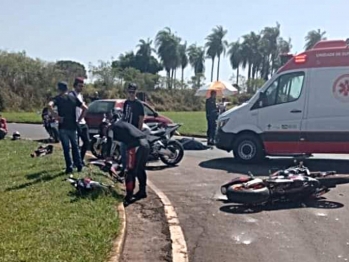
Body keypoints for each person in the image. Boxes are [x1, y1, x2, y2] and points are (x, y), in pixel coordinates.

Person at [105, 119, 150, 206]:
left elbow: (109, 141)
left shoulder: (111, 129)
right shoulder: (122, 123)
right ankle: (142, 191)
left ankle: (129, 196)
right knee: (140, 169)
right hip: (145, 143)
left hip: (135, 145)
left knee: (130, 171)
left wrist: (108, 156)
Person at [48, 81, 88, 174]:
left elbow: (49, 105)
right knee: (75, 146)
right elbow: (85, 108)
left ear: (59, 89)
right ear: (67, 89)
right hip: (73, 126)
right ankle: (79, 165)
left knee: (66, 148)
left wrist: (55, 116)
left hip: (63, 126)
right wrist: (79, 119)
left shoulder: (57, 98)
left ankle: (69, 167)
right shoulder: (73, 98)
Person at [119, 83, 145, 175]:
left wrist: (138, 132)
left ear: (136, 92)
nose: (131, 94)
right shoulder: (126, 103)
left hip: (134, 132)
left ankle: (131, 172)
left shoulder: (139, 104)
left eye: (133, 92)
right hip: (126, 131)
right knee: (123, 151)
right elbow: (124, 116)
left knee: (132, 153)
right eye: (130, 92)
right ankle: (123, 169)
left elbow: (141, 119)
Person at [69, 77, 90, 165]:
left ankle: (80, 159)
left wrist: (81, 119)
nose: (81, 88)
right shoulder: (71, 95)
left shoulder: (80, 95)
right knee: (75, 144)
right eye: (79, 86)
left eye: (82, 86)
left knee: (87, 141)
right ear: (75, 85)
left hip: (82, 122)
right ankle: (76, 162)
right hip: (75, 122)